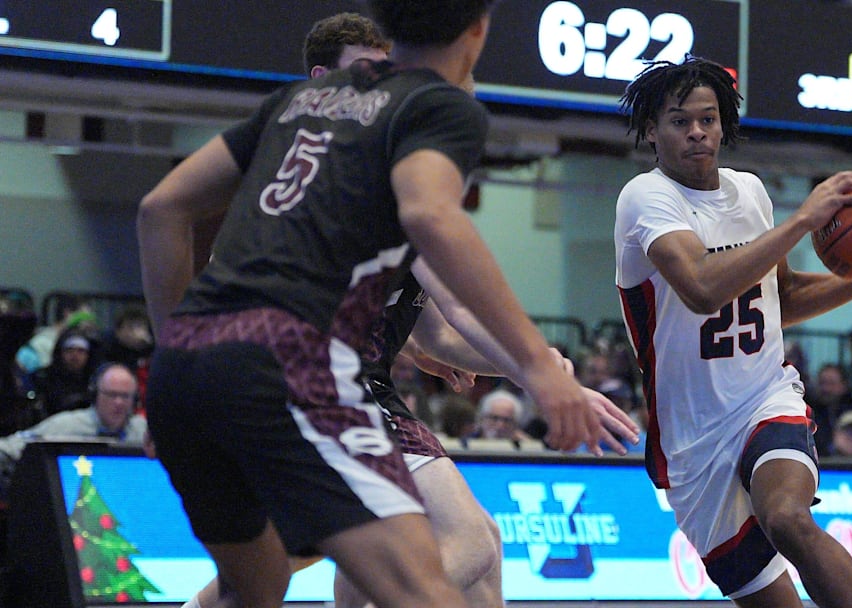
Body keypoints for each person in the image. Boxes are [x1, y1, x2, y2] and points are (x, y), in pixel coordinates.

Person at [135, 2, 610, 607]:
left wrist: (173, 355)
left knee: (258, 586)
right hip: (295, 367)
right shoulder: (436, 104)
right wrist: (539, 367)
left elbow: (160, 210)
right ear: (478, 31)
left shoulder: (297, 103)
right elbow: (430, 214)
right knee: (434, 575)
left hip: (186, 369)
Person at [615, 55, 852, 607]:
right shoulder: (645, 197)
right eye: (680, 121)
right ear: (653, 130)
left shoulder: (749, 191)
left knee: (788, 517)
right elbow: (702, 288)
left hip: (764, 398)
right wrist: (802, 220)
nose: (697, 132)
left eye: (708, 118)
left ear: (725, 124)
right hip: (692, 438)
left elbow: (784, 298)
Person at [0, 363, 144, 498]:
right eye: (111, 395)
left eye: (125, 396)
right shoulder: (66, 425)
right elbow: (8, 448)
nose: (119, 402)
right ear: (95, 395)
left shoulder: (143, 431)